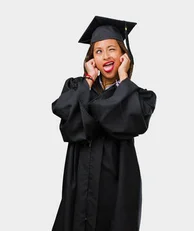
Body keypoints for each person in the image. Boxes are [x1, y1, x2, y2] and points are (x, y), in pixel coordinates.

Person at [51, 16, 156, 231]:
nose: (106, 56)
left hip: (116, 182)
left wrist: (123, 78)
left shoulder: (139, 96)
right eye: (98, 51)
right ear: (92, 59)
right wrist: (88, 81)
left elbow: (135, 122)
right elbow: (63, 113)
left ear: (123, 56)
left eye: (112, 49)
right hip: (79, 180)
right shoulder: (77, 87)